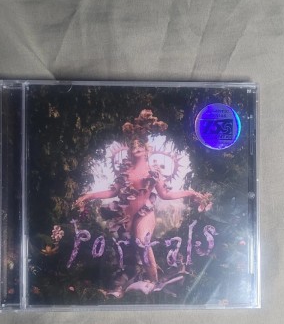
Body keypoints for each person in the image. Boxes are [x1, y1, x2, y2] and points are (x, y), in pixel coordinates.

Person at [75, 110, 206, 284]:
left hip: (145, 214)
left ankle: (155, 283)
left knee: (143, 242)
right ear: (129, 151)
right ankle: (142, 282)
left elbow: (165, 194)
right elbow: (112, 192)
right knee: (133, 251)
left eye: (139, 146)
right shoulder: (125, 172)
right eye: (133, 146)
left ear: (146, 150)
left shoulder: (153, 172)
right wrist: (90, 195)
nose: (136, 148)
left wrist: (190, 192)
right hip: (127, 217)